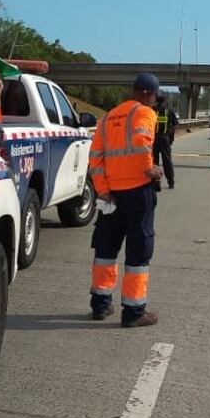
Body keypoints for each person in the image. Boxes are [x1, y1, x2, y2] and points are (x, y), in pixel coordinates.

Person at [88, 73, 164, 327]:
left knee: (106, 249)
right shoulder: (144, 113)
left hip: (110, 194)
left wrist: (102, 190)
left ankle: (100, 304)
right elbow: (143, 143)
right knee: (138, 250)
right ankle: (133, 312)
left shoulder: (108, 117)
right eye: (155, 97)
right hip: (137, 192)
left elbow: (96, 157)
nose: (155, 102)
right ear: (148, 94)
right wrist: (150, 170)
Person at [152, 93, 175, 189]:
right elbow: (174, 125)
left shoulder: (152, 110)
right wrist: (171, 138)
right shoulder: (169, 111)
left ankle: (156, 182)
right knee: (167, 161)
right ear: (165, 101)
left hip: (154, 138)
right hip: (165, 138)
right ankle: (171, 181)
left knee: (154, 161)